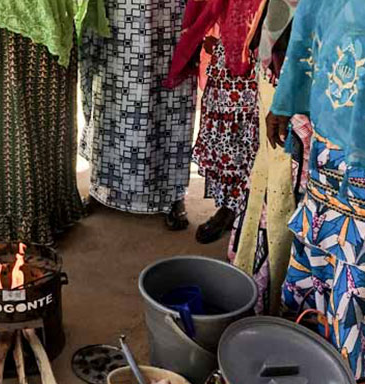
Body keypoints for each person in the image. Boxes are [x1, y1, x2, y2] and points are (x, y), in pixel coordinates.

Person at [271, 0, 365, 377]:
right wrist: (287, 101)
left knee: (361, 278)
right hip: (331, 149)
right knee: (326, 263)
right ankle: (320, 368)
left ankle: (354, 378)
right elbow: (313, 17)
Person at [0, 0, 85, 247]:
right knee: (0, 119)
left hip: (22, 19)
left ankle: (42, 214)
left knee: (24, 116)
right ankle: (23, 219)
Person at [79, 0, 197, 230]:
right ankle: (102, 187)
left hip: (170, 16)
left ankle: (172, 195)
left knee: (171, 94)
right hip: (117, 15)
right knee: (110, 96)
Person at [228, 0, 308, 316]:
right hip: (285, 70)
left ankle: (273, 297)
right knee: (279, 181)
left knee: (288, 185)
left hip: (308, 80)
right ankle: (268, 294)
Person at [166, 0, 262, 244]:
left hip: (274, 42)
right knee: (227, 123)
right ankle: (230, 207)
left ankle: (252, 212)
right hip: (231, 39)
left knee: (259, 130)